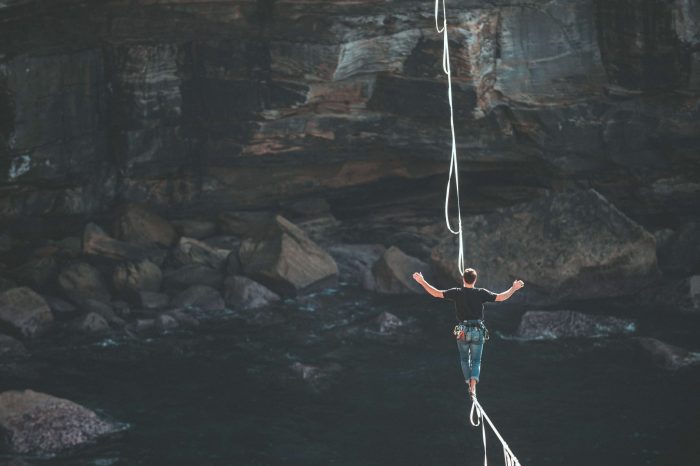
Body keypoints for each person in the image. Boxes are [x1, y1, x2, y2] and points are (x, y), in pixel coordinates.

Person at [412, 268, 524, 399]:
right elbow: (500, 297)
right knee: (476, 361)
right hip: (477, 330)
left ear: (462, 279)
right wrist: (513, 288)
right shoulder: (481, 293)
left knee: (465, 359)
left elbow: (436, 293)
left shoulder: (457, 292)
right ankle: (473, 387)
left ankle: (468, 384)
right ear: (475, 280)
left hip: (463, 330)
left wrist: (422, 281)